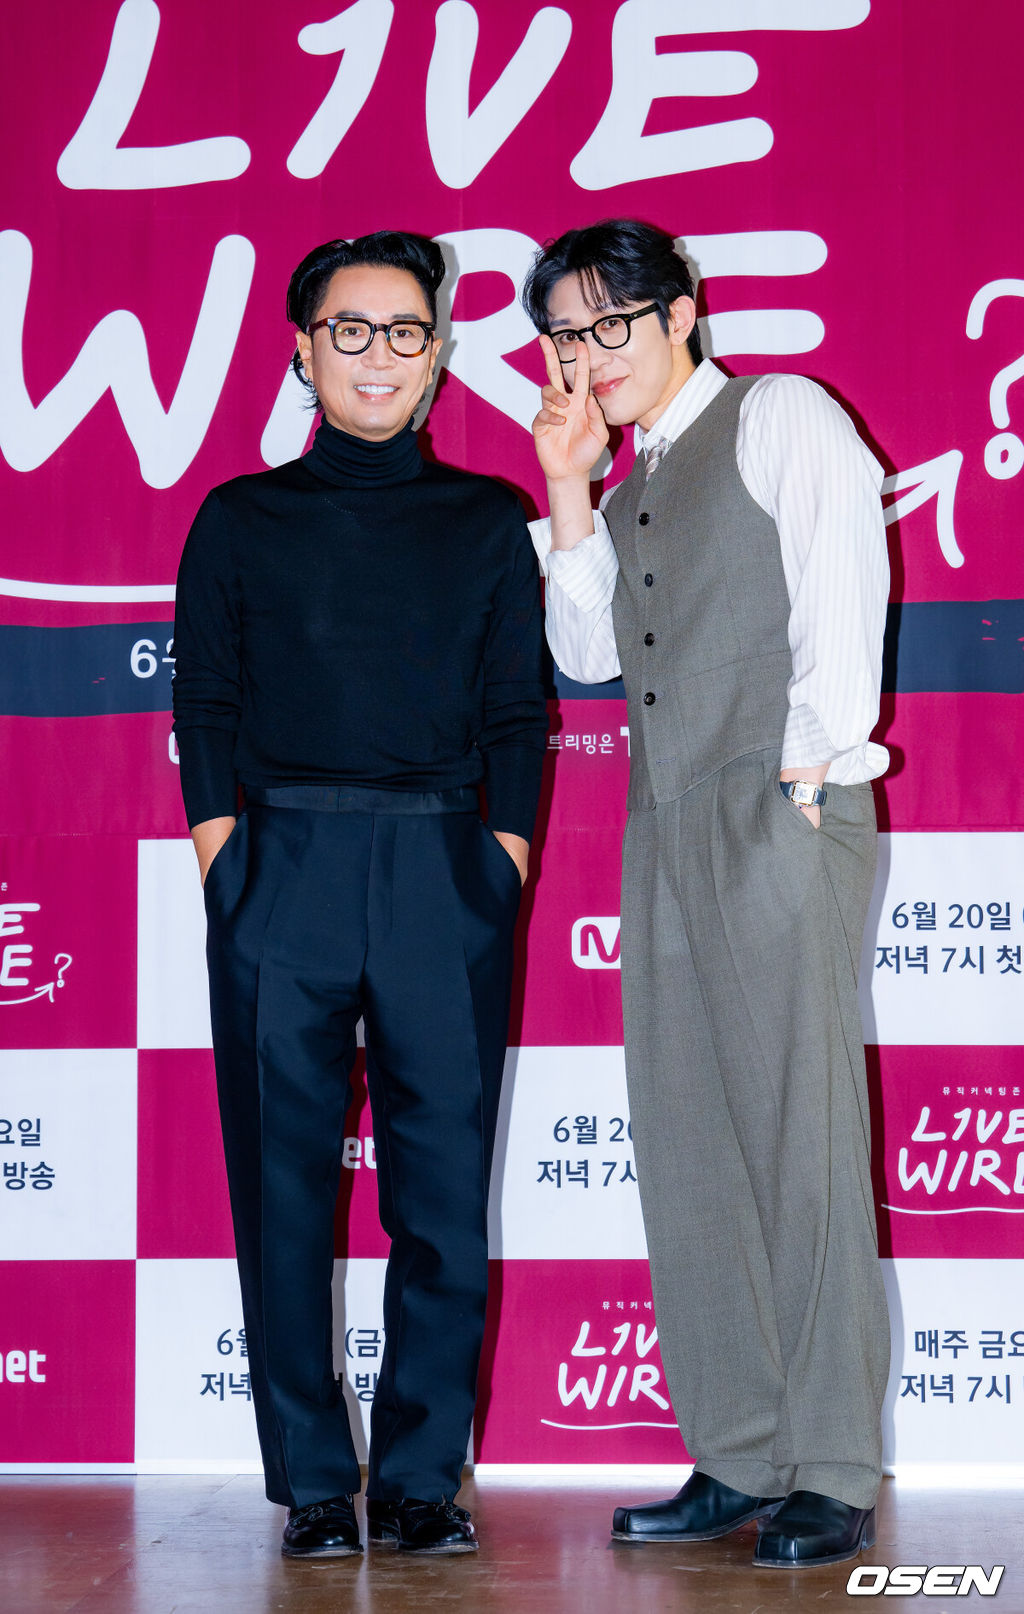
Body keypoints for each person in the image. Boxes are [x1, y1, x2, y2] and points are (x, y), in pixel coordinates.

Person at [522, 218, 891, 1570]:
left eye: (612, 322)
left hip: (783, 799)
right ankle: (739, 1451)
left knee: (802, 1138)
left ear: (681, 313)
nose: (590, 355)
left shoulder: (778, 412)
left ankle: (831, 1462)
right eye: (566, 335)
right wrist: (569, 485)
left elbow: (843, 580)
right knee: (688, 1141)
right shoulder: (628, 482)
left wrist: (812, 768)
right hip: (666, 823)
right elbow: (584, 653)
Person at [173, 230, 546, 1560]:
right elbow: (205, 702)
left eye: (404, 330)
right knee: (280, 1197)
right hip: (283, 870)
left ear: (437, 355)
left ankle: (426, 1476)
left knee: (441, 1197)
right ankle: (315, 1483)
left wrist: (500, 863)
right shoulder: (239, 518)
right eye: (350, 329)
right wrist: (227, 858)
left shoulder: (487, 518)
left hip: (445, 869)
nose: (377, 354)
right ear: (303, 351)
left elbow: (518, 713)